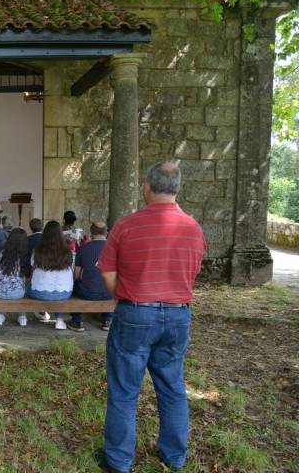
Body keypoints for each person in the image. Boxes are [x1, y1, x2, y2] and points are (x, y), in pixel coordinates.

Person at [97, 162, 206, 473]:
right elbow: (192, 272)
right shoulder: (192, 228)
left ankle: (118, 461)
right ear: (178, 188)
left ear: (146, 187)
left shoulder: (126, 225)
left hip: (134, 313)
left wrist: (128, 296)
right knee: (172, 387)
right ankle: (174, 457)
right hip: (177, 315)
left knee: (123, 389)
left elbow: (107, 273)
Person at [27, 221, 74, 330]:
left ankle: (41, 312)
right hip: (64, 293)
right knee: (57, 288)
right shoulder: (67, 252)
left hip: (40, 293)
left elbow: (32, 268)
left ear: (45, 233)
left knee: (28, 288)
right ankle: (59, 320)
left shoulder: (37, 251)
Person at [69, 221, 113, 332]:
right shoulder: (114, 248)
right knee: (108, 284)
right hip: (109, 293)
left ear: (91, 233)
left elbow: (77, 275)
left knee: (73, 286)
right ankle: (107, 320)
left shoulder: (83, 248)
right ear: (106, 233)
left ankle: (77, 320)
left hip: (87, 293)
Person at [0, 228, 30, 326]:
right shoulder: (24, 255)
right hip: (17, 294)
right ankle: (22, 317)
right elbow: (25, 278)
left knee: (5, 287)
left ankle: (0, 315)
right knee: (25, 288)